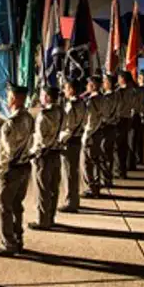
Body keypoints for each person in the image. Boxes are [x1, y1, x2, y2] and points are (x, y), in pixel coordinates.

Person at [0, 84, 34, 256]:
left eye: (9, 96)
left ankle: (8, 243)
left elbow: (7, 152)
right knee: (17, 204)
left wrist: (0, 173)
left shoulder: (11, 123)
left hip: (13, 168)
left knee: (2, 206)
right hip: (25, 165)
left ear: (16, 99)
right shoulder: (28, 118)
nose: (7, 99)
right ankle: (18, 238)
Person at [27, 86, 64, 230]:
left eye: (42, 95)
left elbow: (40, 139)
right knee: (53, 187)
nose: (41, 97)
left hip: (44, 154)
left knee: (42, 188)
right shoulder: (60, 110)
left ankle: (42, 220)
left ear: (47, 97)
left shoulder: (44, 114)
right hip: (56, 151)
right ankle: (51, 216)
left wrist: (32, 152)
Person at [58, 79, 86, 213]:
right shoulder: (82, 103)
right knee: (73, 171)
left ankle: (71, 202)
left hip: (69, 141)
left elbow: (68, 127)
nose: (64, 91)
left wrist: (60, 140)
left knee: (68, 172)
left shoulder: (71, 105)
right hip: (77, 138)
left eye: (66, 88)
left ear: (72, 90)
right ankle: (75, 199)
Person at [81, 75, 106, 198]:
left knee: (88, 162)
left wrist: (86, 136)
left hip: (91, 133)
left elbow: (90, 121)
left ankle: (92, 187)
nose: (86, 87)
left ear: (93, 85)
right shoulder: (103, 98)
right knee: (96, 160)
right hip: (99, 131)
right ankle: (96, 185)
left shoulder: (91, 101)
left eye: (89, 84)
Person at [114, 70, 138, 176]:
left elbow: (118, 106)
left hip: (120, 119)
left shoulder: (121, 92)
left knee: (118, 146)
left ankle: (119, 169)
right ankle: (122, 169)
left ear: (123, 79)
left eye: (119, 78)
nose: (118, 80)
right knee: (123, 145)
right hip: (127, 119)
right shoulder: (132, 91)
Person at [100, 74, 119, 187]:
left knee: (105, 154)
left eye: (105, 82)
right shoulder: (116, 96)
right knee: (109, 154)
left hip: (107, 127)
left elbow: (105, 114)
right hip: (112, 126)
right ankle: (107, 178)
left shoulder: (108, 98)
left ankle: (106, 179)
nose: (103, 83)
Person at [132, 70, 144, 165]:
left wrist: (142, 115)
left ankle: (139, 158)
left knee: (137, 138)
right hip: (142, 114)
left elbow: (142, 104)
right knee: (138, 138)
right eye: (139, 77)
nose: (139, 79)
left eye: (141, 77)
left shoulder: (143, 89)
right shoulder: (143, 88)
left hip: (140, 114)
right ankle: (139, 157)